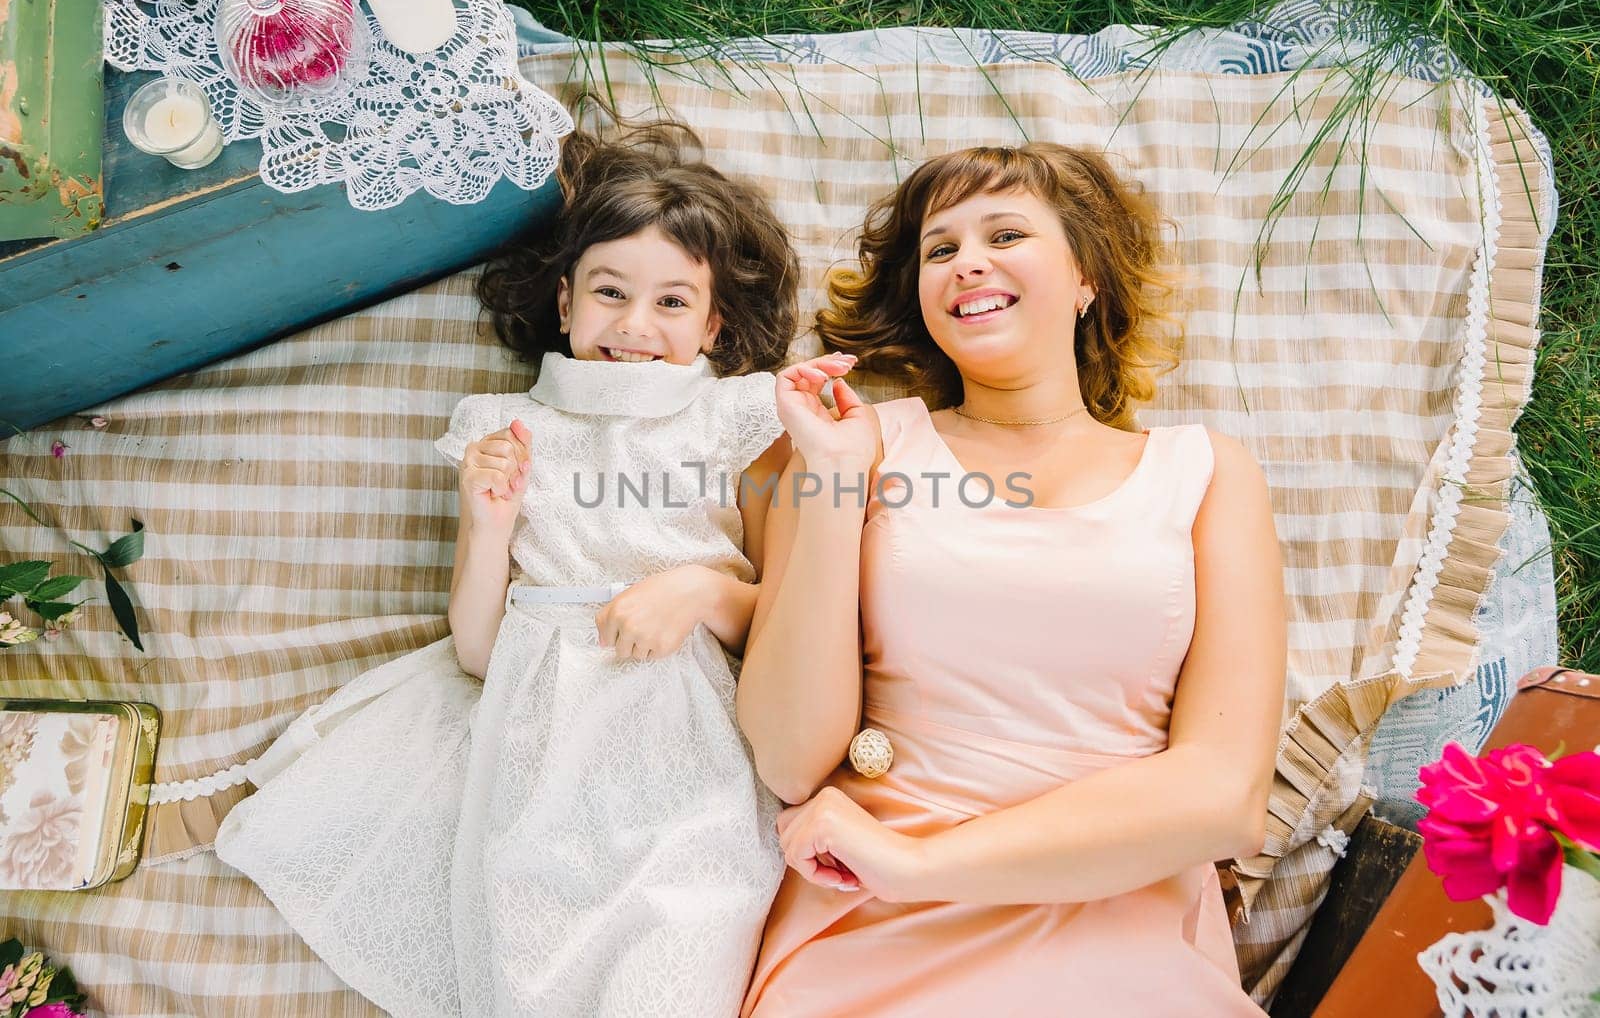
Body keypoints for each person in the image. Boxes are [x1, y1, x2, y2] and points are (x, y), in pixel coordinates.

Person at [216, 120, 813, 1018]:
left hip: (689, 736)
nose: (636, 327)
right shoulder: (507, 428)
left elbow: (791, 618)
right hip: (545, 731)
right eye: (611, 293)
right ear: (566, 303)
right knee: (533, 946)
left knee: (685, 941)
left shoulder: (735, 416)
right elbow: (480, 652)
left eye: (673, 303)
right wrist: (489, 527)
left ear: (715, 322)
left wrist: (699, 590)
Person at [735, 142, 1287, 1016]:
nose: (968, 263)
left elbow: (1226, 796)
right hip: (871, 931)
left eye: (1005, 233)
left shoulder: (1209, 474)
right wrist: (835, 486)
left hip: (1116, 922)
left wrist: (922, 868)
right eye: (940, 249)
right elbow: (791, 757)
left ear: (1086, 281)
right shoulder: (854, 448)